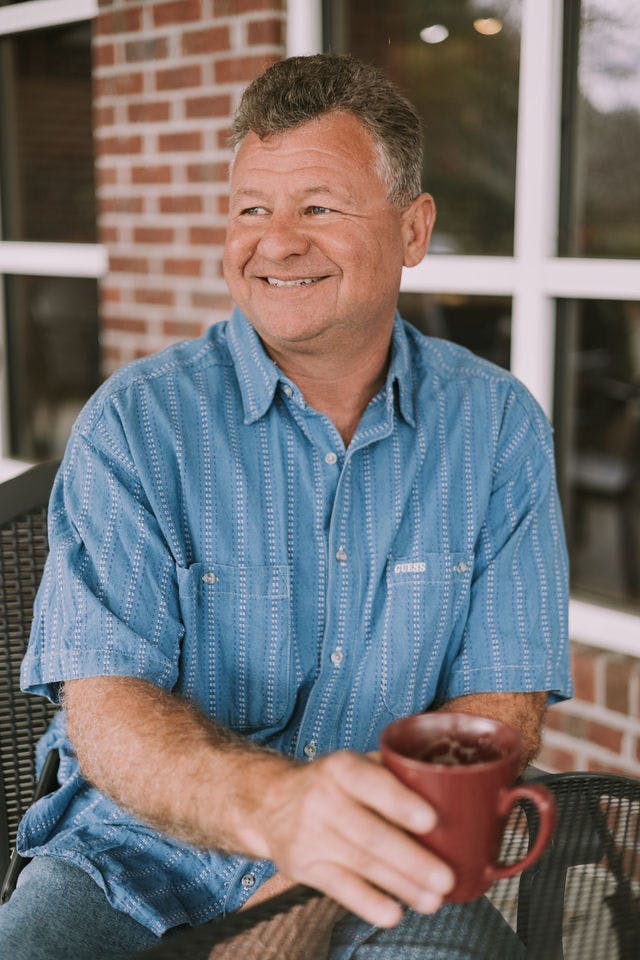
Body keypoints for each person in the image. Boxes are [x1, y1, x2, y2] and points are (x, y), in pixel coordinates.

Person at [0, 54, 571, 959]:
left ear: (413, 230)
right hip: (133, 852)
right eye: (251, 209)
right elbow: (105, 710)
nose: (275, 242)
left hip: (384, 856)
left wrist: (316, 874)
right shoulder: (137, 424)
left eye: (318, 207)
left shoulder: (496, 426)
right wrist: (281, 816)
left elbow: (501, 705)